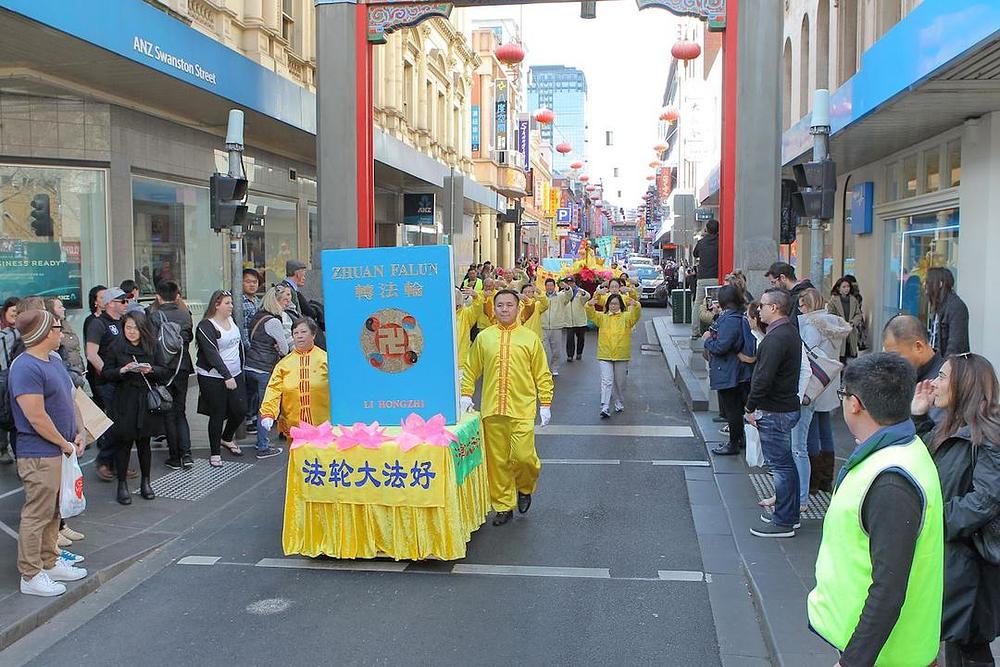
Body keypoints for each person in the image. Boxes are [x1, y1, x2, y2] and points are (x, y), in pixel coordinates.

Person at [808, 353, 944, 667]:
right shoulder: (904, 451)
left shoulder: (890, 480)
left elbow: (889, 587)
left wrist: (853, 661)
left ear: (854, 403)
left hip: (889, 656)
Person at [911, 354, 1000, 666]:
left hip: (974, 563)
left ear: (966, 386)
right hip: (955, 557)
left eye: (944, 377)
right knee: (962, 644)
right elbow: (926, 461)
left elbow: (986, 500)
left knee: (969, 645)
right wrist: (920, 417)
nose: (934, 382)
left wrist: (935, 521)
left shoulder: (989, 435)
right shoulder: (950, 426)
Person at [9, 310, 88, 596]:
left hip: (60, 450)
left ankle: (49, 561)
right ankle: (31, 575)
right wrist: (64, 442)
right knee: (37, 514)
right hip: (39, 453)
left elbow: (71, 398)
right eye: (57, 327)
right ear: (44, 332)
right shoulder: (25, 367)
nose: (62, 331)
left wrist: (78, 431)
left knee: (54, 510)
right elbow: (36, 416)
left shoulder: (53, 360)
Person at [461, 290, 553, 526]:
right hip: (492, 409)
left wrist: (545, 403)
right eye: (500, 305)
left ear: (518, 308)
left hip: (522, 408)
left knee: (524, 458)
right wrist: (465, 394)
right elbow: (471, 369)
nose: (504, 309)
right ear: (494, 308)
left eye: (509, 305)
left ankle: (524, 487)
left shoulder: (530, 338)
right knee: (498, 461)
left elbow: (542, 373)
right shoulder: (484, 338)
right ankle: (503, 505)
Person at [745, 289, 802, 537]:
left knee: (780, 467)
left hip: (774, 409)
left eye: (764, 305)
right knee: (786, 465)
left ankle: (783, 521)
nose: (760, 310)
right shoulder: (788, 333)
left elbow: (763, 377)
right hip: (784, 406)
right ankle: (789, 514)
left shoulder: (775, 338)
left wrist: (750, 407)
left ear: (775, 308)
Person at [100, 312, 167, 504]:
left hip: (146, 400)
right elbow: (105, 374)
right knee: (124, 443)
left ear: (143, 329)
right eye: (128, 327)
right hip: (124, 400)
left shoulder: (152, 346)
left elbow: (164, 370)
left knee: (144, 443)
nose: (131, 332)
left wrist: (150, 370)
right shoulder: (116, 346)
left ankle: (146, 482)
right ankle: (122, 484)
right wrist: (122, 370)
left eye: (135, 328)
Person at [795, 288, 851, 502]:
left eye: (801, 305)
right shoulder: (834, 323)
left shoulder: (811, 325)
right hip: (830, 380)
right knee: (825, 429)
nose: (799, 309)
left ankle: (813, 481)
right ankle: (827, 479)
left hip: (814, 382)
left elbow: (806, 355)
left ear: (808, 305)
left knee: (811, 432)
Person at [258, 317, 328, 456]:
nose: (299, 336)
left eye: (303, 332)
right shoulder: (284, 364)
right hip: (294, 426)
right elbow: (274, 390)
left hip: (323, 426)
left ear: (313, 335)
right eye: (296, 333)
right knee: (298, 463)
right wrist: (268, 413)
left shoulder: (326, 359)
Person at [196, 290, 247, 468]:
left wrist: (240, 368)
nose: (231, 306)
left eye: (231, 303)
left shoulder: (232, 321)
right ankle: (215, 452)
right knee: (217, 413)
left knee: (241, 409)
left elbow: (239, 345)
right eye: (227, 303)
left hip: (236, 372)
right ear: (216, 305)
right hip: (213, 376)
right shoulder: (205, 326)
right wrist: (226, 376)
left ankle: (227, 437)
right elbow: (211, 354)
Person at [146, 281, 194, 470]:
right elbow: (187, 338)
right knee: (180, 412)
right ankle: (187, 454)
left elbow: (150, 343)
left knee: (168, 412)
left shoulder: (153, 316)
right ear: (176, 296)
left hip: (163, 369)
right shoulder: (185, 314)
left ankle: (174, 457)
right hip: (182, 367)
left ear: (158, 296)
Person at [85, 287, 131, 482]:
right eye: (123, 301)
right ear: (111, 303)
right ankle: (104, 461)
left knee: (124, 423)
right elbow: (91, 354)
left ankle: (117, 462)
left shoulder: (122, 323)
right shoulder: (98, 324)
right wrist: (108, 373)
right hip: (107, 381)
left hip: (122, 378)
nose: (126, 304)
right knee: (115, 423)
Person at [704, 286, 753, 455]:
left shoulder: (730, 319)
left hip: (729, 369)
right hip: (736, 369)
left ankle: (733, 442)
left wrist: (707, 341)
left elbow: (721, 346)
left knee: (732, 409)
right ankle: (738, 439)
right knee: (736, 408)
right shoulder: (738, 315)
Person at [245, 287, 292, 458]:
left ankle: (256, 437)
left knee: (253, 404)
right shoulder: (274, 322)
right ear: (277, 301)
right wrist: (278, 347)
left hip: (249, 365)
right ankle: (263, 446)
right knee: (265, 408)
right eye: (285, 300)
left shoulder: (256, 317)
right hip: (264, 369)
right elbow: (285, 348)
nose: (288, 303)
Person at [586, 291, 642, 418]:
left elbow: (636, 315)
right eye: (611, 304)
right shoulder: (602, 317)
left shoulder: (627, 317)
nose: (613, 306)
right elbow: (591, 314)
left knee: (619, 381)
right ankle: (605, 406)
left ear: (620, 305)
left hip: (621, 355)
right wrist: (589, 305)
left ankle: (618, 401)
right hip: (605, 354)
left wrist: (636, 305)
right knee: (606, 380)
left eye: (616, 304)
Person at [926, 267, 970, 357]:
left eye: (928, 282)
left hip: (950, 366)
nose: (925, 285)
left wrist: (944, 367)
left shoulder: (956, 307)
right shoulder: (939, 306)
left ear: (940, 284)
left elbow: (955, 345)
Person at [44, 298, 85, 389]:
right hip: (66, 375)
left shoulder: (66, 324)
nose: (64, 309)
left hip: (77, 372)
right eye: (60, 307)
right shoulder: (49, 330)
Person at [240, 268, 262, 434]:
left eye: (254, 282)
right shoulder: (239, 301)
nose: (252, 284)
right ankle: (248, 417)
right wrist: (249, 347)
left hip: (258, 348)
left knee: (254, 385)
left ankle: (253, 415)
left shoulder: (257, 301)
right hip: (247, 349)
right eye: (248, 281)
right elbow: (242, 328)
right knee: (248, 385)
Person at [691, 219, 719, 338]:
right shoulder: (720, 241)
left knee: (698, 303)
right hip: (716, 277)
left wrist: (703, 235)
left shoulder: (701, 242)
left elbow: (695, 254)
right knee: (716, 304)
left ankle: (695, 331)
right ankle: (715, 328)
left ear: (706, 229)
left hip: (702, 278)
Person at [827, 277, 864, 363]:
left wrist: (853, 322)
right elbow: (831, 315)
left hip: (851, 331)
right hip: (839, 331)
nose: (846, 289)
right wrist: (841, 323)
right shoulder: (833, 301)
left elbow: (858, 314)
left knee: (852, 356)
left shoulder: (853, 300)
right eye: (844, 287)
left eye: (848, 286)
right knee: (841, 357)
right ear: (838, 288)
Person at [540, 278, 568, 377]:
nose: (549, 287)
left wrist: (567, 287)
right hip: (543, 326)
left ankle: (554, 367)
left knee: (556, 350)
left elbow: (569, 295)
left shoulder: (560, 296)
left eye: (551, 285)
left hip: (556, 326)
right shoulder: (541, 296)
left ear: (554, 286)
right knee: (544, 349)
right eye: (547, 285)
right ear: (545, 286)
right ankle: (546, 368)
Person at [562, 276, 590, 362]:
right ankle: (570, 355)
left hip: (580, 320)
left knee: (581, 338)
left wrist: (583, 294)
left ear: (574, 283)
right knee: (569, 339)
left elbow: (587, 297)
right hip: (569, 320)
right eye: (568, 283)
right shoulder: (563, 293)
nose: (570, 284)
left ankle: (579, 353)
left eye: (571, 282)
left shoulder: (580, 291)